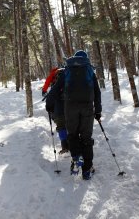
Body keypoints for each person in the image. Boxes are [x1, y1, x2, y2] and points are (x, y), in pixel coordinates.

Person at [46, 50, 102, 180]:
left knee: (72, 135)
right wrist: (98, 111)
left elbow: (54, 89)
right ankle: (87, 170)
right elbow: (97, 93)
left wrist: (49, 104)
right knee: (86, 138)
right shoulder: (89, 71)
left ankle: (76, 157)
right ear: (86, 59)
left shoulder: (67, 71)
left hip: (70, 107)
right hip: (87, 107)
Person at [42, 67, 69, 154]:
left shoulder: (54, 76)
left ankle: (65, 145)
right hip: (71, 105)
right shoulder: (69, 77)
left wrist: (44, 90)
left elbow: (47, 83)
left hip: (59, 106)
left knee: (60, 125)